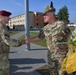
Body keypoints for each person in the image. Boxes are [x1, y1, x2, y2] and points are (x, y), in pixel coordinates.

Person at [25, 1, 71, 75]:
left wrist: (70, 53)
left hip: (62, 59)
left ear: (52, 14)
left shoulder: (61, 25)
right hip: (51, 59)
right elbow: (39, 37)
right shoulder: (45, 28)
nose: (44, 16)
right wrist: (29, 40)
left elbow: (70, 39)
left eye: (45, 15)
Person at [0, 10, 26, 75]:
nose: (9, 18)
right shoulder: (2, 27)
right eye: (7, 16)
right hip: (2, 57)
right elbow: (9, 41)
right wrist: (23, 41)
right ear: (2, 17)